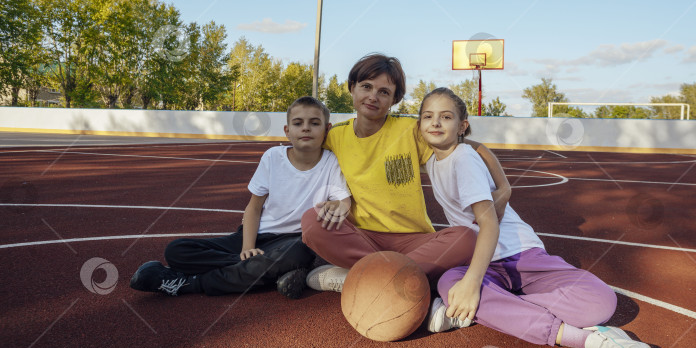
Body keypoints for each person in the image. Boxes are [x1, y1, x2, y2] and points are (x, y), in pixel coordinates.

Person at [418, 87, 656, 348]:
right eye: (428, 116)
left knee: (601, 302)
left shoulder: (464, 160)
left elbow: (489, 225)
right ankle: (590, 342)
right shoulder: (432, 161)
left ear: (462, 125)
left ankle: (481, 309)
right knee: (450, 281)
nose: (436, 123)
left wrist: (473, 285)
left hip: (521, 255)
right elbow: (470, 146)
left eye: (446, 117)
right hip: (483, 262)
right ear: (419, 124)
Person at [301, 53, 510, 292]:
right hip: (363, 236)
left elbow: (469, 144)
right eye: (366, 87)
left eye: (384, 92)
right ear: (352, 88)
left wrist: (504, 187)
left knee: (465, 238)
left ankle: (357, 276)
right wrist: (340, 199)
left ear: (394, 100)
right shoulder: (336, 135)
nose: (373, 96)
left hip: (414, 240)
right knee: (311, 220)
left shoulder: (409, 130)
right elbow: (302, 145)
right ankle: (398, 276)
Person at [130, 97, 350, 299]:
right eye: (298, 123)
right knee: (176, 251)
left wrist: (338, 204)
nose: (306, 128)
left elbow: (344, 201)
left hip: (292, 243)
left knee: (298, 253)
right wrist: (247, 248)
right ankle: (265, 271)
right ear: (287, 130)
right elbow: (253, 208)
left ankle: (191, 283)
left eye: (314, 123)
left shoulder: (331, 162)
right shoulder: (273, 157)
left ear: (327, 129)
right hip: (257, 236)